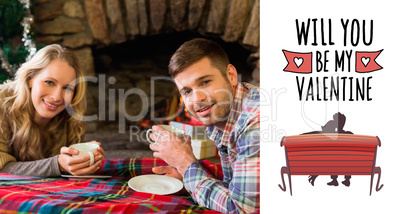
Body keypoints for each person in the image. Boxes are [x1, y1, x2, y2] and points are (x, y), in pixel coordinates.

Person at [149, 38, 260, 213]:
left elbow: (242, 209)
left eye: (205, 82)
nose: (197, 99)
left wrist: (185, 163)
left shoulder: (255, 121)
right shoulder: (226, 117)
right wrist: (189, 178)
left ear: (230, 75)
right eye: (187, 91)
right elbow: (234, 189)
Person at [0, 44, 104, 177]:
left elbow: (65, 169)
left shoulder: (70, 115)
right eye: (49, 82)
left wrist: (84, 160)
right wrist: (57, 164)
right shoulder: (2, 104)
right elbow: (2, 170)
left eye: (68, 88)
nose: (56, 97)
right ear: (30, 79)